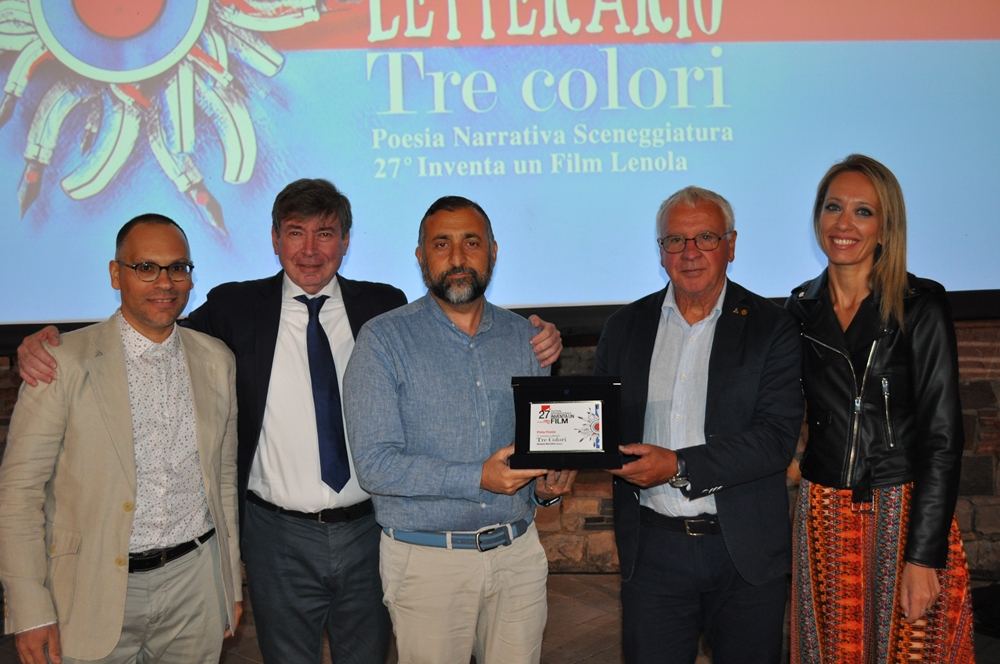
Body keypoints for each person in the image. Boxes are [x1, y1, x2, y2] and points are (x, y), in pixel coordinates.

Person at [15, 179, 563, 664]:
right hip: (276, 535)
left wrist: (539, 334)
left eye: (325, 233)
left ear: (345, 242)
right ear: (275, 239)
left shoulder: (383, 308)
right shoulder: (234, 307)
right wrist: (48, 341)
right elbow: (153, 325)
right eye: (295, 233)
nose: (310, 249)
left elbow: (454, 327)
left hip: (368, 529)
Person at [343, 196, 576, 664]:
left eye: (471, 242)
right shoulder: (383, 340)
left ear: (492, 251)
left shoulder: (527, 339)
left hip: (517, 555)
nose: (456, 257)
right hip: (427, 564)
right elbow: (374, 466)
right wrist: (477, 477)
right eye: (441, 244)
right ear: (420, 256)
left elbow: (535, 452)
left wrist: (547, 487)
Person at [0, 215, 242, 664]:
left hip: (196, 586)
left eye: (178, 267)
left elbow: (223, 482)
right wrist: (29, 608)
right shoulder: (62, 362)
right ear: (116, 274)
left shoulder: (217, 360)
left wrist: (229, 582)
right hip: (89, 590)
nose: (164, 282)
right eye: (146, 267)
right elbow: (19, 493)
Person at [594, 186, 804, 664]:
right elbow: (598, 427)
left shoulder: (771, 327)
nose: (690, 253)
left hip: (745, 555)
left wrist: (679, 466)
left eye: (705, 237)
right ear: (661, 251)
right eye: (675, 240)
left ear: (731, 245)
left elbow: (776, 440)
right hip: (653, 555)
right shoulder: (624, 327)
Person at [785, 154, 975, 663]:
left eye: (863, 211)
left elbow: (943, 438)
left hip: (903, 511)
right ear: (817, 217)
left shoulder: (920, 305)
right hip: (824, 513)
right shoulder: (798, 309)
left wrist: (924, 556)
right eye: (833, 207)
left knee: (914, 654)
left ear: (886, 226)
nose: (843, 224)